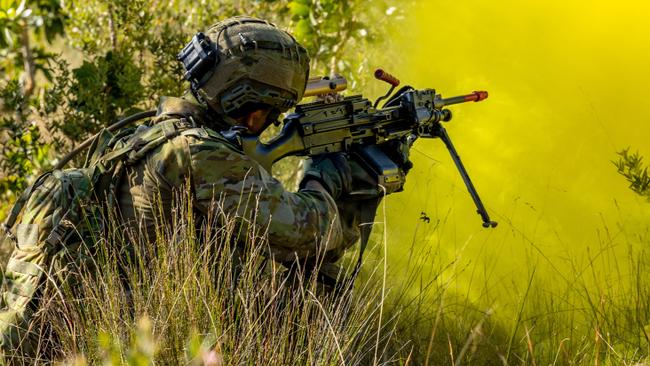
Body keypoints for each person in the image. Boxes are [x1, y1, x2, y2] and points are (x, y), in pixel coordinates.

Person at [0, 15, 410, 361]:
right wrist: (329, 171)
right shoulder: (200, 154)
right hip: (135, 339)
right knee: (321, 280)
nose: (269, 122)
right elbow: (310, 234)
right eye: (273, 112)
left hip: (93, 327)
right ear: (252, 107)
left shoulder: (146, 134)